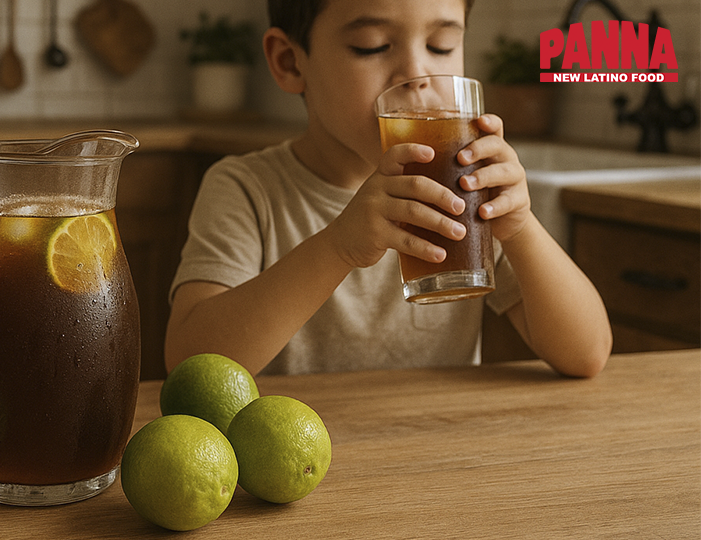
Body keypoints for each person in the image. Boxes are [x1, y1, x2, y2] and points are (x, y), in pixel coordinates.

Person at [164, 0, 612, 378]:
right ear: (289, 62)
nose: (416, 75)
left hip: (429, 456)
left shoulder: (462, 189)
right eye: (372, 46)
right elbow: (190, 363)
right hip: (292, 468)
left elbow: (586, 354)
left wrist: (520, 228)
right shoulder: (246, 189)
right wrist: (340, 247)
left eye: (442, 45)